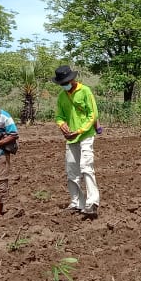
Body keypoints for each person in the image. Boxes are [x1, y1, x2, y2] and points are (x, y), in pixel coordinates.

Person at [53, 65, 100, 218]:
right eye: (62, 83)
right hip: (71, 138)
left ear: (72, 79)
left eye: (66, 82)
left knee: (86, 167)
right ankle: (76, 202)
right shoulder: (61, 96)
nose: (64, 85)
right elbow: (59, 116)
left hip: (85, 135)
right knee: (72, 170)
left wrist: (79, 131)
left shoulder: (85, 91)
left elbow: (93, 114)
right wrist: (62, 126)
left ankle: (92, 202)